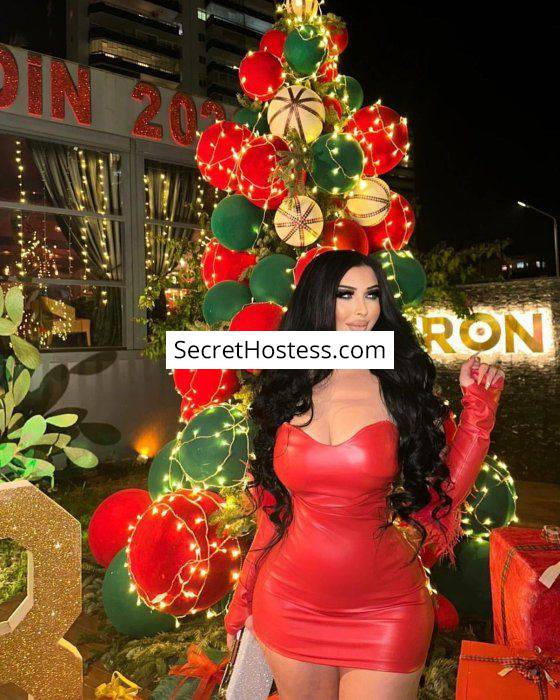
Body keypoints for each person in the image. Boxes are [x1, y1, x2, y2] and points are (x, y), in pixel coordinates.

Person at [223, 250, 505, 699]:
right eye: (346, 295)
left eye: (372, 295)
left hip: (387, 610)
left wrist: (479, 414)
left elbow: (444, 492)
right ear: (318, 300)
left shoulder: (396, 383)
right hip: (288, 604)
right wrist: (242, 602)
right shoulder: (288, 385)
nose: (363, 310)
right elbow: (272, 514)